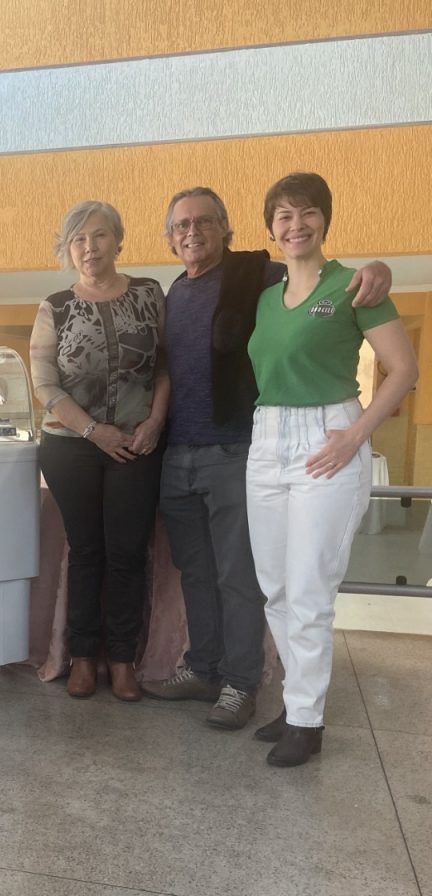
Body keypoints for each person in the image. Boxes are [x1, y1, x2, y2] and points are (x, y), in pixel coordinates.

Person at [140, 187, 392, 731]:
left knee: (240, 577)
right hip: (178, 454)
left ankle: (240, 683)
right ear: (170, 239)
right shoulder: (173, 292)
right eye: (181, 225)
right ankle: (203, 668)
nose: (192, 232)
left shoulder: (257, 276)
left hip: (236, 449)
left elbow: (315, 272)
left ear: (225, 228)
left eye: (204, 221)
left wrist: (378, 270)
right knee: (195, 572)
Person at [246, 173, 416, 766]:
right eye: (284, 216)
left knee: (310, 589)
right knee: (276, 587)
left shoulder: (354, 286)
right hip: (266, 438)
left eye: (308, 213)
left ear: (325, 220)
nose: (296, 225)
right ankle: (296, 701)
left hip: (328, 438)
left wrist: (356, 435)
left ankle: (307, 721)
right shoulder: (266, 297)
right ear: (271, 228)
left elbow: (403, 368)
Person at [30, 200, 169, 702]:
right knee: (86, 552)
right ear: (69, 250)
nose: (90, 247)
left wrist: (155, 421)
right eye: (79, 239)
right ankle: (84, 657)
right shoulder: (55, 307)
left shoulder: (150, 294)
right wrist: (94, 431)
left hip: (137, 444)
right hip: (71, 446)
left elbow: (165, 367)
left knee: (128, 554)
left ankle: (123, 658)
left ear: (118, 239)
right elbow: (45, 385)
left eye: (99, 235)